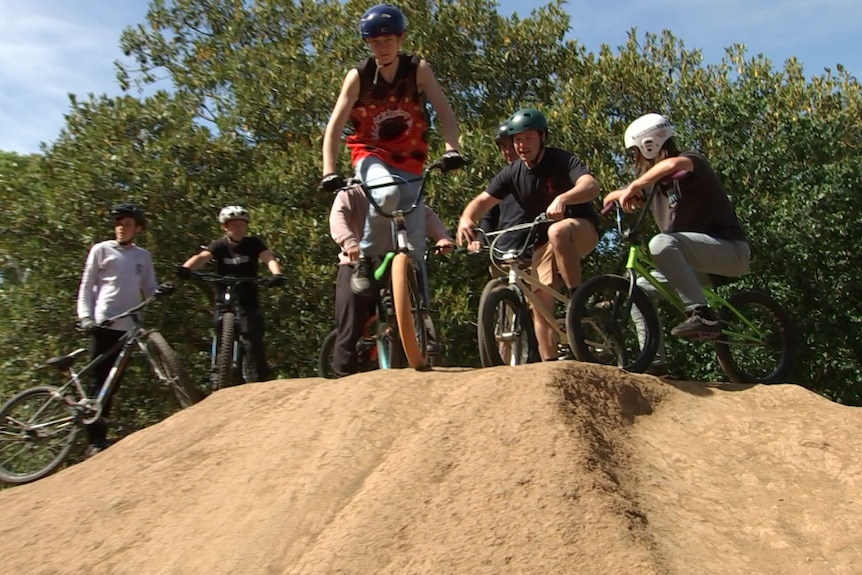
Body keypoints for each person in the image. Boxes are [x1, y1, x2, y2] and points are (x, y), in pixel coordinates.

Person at [320, 3, 465, 298]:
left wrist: (452, 149)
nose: (382, 47)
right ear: (368, 43)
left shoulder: (417, 70)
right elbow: (334, 126)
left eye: (388, 40)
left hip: (411, 160)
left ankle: (422, 322)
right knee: (386, 194)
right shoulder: (359, 75)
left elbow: (445, 113)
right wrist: (329, 170)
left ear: (401, 38)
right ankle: (366, 259)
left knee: (415, 248)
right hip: (369, 153)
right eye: (375, 42)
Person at [456, 108, 601, 362]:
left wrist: (564, 199)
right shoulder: (513, 172)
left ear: (542, 137)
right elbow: (483, 201)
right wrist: (467, 218)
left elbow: (591, 186)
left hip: (580, 229)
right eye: (517, 140)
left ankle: (578, 299)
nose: (522, 145)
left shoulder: (561, 160)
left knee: (558, 229)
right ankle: (549, 365)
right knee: (539, 303)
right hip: (544, 244)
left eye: (528, 138)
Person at [603, 113, 749, 355]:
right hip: (693, 264)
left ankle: (703, 314)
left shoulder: (690, 161)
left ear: (650, 144)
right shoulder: (653, 185)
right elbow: (611, 196)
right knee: (638, 291)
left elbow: (672, 165)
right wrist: (622, 195)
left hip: (730, 250)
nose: (634, 159)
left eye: (635, 152)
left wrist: (635, 186)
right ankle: (653, 360)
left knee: (660, 243)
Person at [329, 187, 454, 376]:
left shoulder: (398, 194)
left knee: (411, 266)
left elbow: (422, 213)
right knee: (350, 322)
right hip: (356, 263)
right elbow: (338, 217)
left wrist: (442, 236)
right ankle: (342, 374)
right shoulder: (351, 193)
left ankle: (421, 324)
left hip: (391, 262)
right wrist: (349, 242)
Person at [77, 202, 159, 457]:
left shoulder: (142, 256)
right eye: (118, 224)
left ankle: (100, 437)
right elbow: (87, 285)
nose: (121, 228)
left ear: (138, 228)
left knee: (112, 384)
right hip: (104, 322)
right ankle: (94, 442)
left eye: (127, 224)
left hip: (129, 326)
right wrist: (86, 317)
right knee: (97, 381)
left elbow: (149, 286)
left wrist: (162, 291)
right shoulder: (101, 250)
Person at [177, 206, 286, 383]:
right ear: (225, 227)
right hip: (224, 295)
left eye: (241, 224)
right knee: (220, 330)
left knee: (252, 336)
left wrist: (276, 274)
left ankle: (258, 380)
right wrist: (186, 268)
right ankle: (218, 371)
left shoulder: (253, 243)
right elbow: (202, 256)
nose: (238, 228)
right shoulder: (220, 245)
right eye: (233, 224)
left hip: (247, 296)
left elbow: (268, 257)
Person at [468, 122, 526, 256]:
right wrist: (479, 240)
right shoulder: (501, 181)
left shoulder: (540, 175)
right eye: (503, 147)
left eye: (511, 146)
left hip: (537, 252)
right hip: (504, 253)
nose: (507, 151)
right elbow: (489, 217)